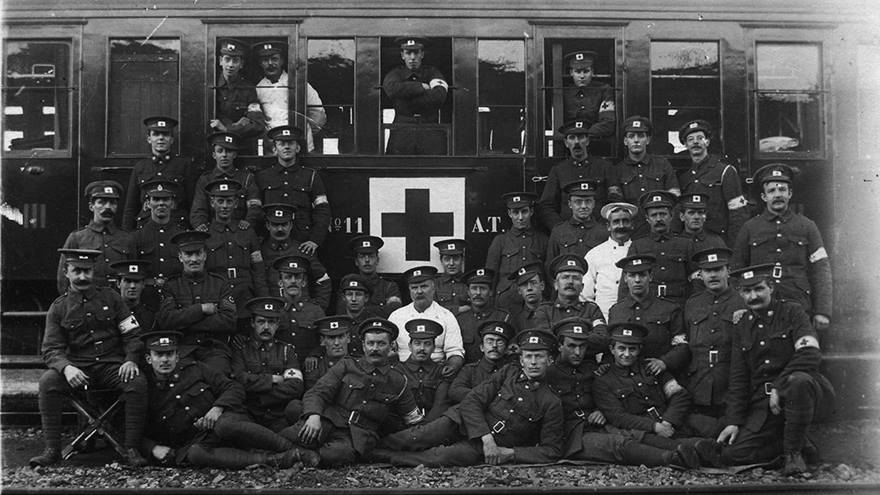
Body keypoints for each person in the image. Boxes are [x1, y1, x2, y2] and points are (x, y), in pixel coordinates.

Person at [702, 264, 835, 475]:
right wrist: (734, 422)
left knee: (798, 380)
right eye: (747, 291)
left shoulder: (793, 311)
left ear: (771, 287)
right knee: (731, 455)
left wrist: (778, 386)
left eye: (759, 289)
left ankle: (793, 454)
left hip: (799, 395)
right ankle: (792, 446)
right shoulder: (742, 324)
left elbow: (810, 352)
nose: (753, 296)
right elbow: (739, 378)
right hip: (763, 405)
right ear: (740, 293)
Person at [371, 329, 564, 467]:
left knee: (439, 457)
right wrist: (487, 437)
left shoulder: (551, 401)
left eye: (539, 357)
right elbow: (472, 400)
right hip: (461, 420)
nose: (533, 363)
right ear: (521, 360)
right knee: (418, 436)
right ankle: (368, 450)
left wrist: (510, 453)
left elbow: (551, 450)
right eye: (528, 356)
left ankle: (384, 458)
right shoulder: (508, 373)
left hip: (485, 447)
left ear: (550, 360)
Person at [30, 249, 148, 468]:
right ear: (66, 272)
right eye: (77, 271)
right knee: (48, 382)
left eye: (87, 271)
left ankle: (131, 448)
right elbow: (50, 349)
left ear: (94, 271)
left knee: (137, 382)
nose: (82, 277)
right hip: (78, 370)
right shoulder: (58, 308)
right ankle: (52, 450)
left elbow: (132, 335)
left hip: (111, 367)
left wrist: (131, 359)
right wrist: (66, 368)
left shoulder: (112, 299)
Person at [139, 330, 315, 469]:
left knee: (225, 425)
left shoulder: (196, 369)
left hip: (225, 420)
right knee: (194, 455)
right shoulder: (143, 387)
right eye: (158, 355)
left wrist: (217, 409)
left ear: (177, 356)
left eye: (169, 354)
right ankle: (274, 460)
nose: (164, 360)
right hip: (194, 439)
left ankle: (293, 450)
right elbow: (130, 428)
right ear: (148, 358)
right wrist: (152, 448)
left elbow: (234, 387)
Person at [545, 317, 701, 468]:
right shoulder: (548, 374)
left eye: (582, 346)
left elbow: (604, 399)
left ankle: (694, 451)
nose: (578, 352)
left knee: (632, 437)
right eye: (571, 346)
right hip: (571, 434)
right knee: (618, 444)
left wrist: (599, 409)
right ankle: (673, 459)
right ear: (560, 346)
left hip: (600, 426)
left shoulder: (593, 369)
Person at [281, 317, 424, 467]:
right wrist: (313, 416)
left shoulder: (398, 381)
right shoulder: (347, 365)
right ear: (363, 345)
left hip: (358, 435)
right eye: (370, 343)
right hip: (328, 420)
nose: (375, 348)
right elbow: (318, 392)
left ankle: (304, 454)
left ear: (391, 346)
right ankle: (289, 454)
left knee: (336, 455)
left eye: (381, 343)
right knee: (288, 437)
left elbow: (412, 420)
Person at [731, 163, 832, 331]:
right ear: (763, 197)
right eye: (771, 191)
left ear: (790, 193)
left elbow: (821, 269)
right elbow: (736, 270)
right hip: (760, 305)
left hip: (798, 303)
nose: (777, 195)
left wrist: (823, 311)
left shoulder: (807, 226)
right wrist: (739, 305)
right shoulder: (750, 227)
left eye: (782, 190)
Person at [593, 322, 718, 443]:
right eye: (621, 348)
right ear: (612, 349)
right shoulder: (604, 379)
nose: (626, 354)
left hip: (672, 420)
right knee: (693, 448)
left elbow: (680, 395)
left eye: (632, 349)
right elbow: (618, 417)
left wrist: (668, 421)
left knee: (716, 428)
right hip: (644, 431)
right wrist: (655, 427)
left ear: (640, 349)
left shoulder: (652, 368)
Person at [157, 231, 236, 374]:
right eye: (188, 254)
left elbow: (229, 321)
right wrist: (201, 310)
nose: (193, 259)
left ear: (204, 255)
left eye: (198, 253)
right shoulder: (171, 286)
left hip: (214, 349)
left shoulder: (220, 284)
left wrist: (185, 321)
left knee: (219, 376)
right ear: (180, 257)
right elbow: (166, 320)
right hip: (183, 350)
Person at [683, 247, 745, 418]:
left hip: (730, 383)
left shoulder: (742, 301)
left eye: (718, 269)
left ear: (728, 271)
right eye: (707, 271)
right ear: (700, 275)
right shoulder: (692, 303)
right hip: (698, 383)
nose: (713, 275)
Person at [201, 179, 269, 329]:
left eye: (229, 201)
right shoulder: (205, 234)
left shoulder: (247, 232)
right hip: (218, 298)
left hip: (245, 298)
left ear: (236, 203)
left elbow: (258, 271)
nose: (225, 206)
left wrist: (263, 301)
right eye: (220, 201)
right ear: (212, 203)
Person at [608, 254, 689, 377]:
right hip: (624, 378)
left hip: (660, 375)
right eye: (632, 275)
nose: (637, 280)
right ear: (625, 278)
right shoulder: (616, 311)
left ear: (650, 277)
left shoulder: (670, 308)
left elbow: (682, 346)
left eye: (642, 275)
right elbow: (611, 346)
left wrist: (664, 362)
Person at [255, 125, 331, 255]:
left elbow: (322, 210)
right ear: (274, 149)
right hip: (270, 243)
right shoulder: (263, 176)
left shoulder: (310, 176)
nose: (286, 147)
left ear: (298, 148)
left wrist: (315, 240)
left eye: (290, 143)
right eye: (281, 144)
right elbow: (256, 211)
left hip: (302, 242)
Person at [231, 297, 304, 433]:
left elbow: (296, 386)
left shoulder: (287, 350)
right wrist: (272, 379)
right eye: (261, 322)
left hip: (280, 416)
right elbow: (238, 379)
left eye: (271, 322)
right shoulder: (241, 349)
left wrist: (261, 397)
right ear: (252, 323)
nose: (266, 327)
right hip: (250, 416)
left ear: (277, 324)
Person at [607, 116, 679, 238]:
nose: (636, 140)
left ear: (648, 139)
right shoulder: (617, 170)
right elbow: (618, 206)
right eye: (631, 136)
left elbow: (675, 200)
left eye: (641, 136)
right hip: (633, 233)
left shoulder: (663, 165)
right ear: (625, 141)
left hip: (661, 231)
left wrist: (674, 230)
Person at [56, 181, 134, 295]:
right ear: (91, 206)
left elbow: (134, 275)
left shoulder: (127, 239)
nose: (107, 207)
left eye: (112, 203)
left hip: (118, 304)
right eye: (101, 202)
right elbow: (63, 278)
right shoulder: (77, 238)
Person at [678, 119, 748, 244]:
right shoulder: (684, 178)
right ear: (686, 145)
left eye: (700, 138)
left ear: (707, 142)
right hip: (691, 242)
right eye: (690, 139)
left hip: (719, 241)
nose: (695, 142)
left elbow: (738, 214)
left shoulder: (725, 171)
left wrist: (733, 247)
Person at [618, 190, 694, 305]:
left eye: (663, 214)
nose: (658, 219)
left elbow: (696, 280)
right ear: (647, 219)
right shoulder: (638, 245)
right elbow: (627, 282)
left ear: (671, 216)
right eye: (654, 215)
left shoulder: (685, 244)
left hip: (680, 305)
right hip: (649, 307)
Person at [389, 266, 465, 378]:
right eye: (414, 287)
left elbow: (455, 351)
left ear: (434, 288)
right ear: (409, 290)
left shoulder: (446, 316)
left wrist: (452, 366)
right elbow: (389, 350)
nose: (419, 291)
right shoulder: (396, 316)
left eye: (424, 286)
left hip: (436, 373)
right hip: (402, 373)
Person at [122, 116, 195, 231]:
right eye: (156, 134)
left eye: (165, 134)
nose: (161, 138)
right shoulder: (140, 167)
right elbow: (130, 207)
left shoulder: (184, 166)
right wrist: (126, 235)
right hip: (145, 227)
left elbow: (192, 203)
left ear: (172, 139)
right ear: (149, 138)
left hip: (176, 227)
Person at [537, 120, 612, 231]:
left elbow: (614, 202)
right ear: (566, 143)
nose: (577, 142)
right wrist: (560, 229)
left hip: (599, 233)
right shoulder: (558, 170)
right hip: (568, 236)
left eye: (581, 137)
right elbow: (546, 206)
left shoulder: (604, 167)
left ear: (587, 141)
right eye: (572, 138)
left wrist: (601, 228)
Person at [253, 40, 327, 152]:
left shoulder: (299, 84)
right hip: (273, 146)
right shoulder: (258, 89)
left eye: (274, 59)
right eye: (265, 60)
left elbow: (318, 113)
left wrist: (305, 132)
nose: (270, 64)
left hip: (299, 144)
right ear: (260, 63)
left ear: (282, 61)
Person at [383, 37, 449, 155]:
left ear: (422, 54)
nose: (412, 57)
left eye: (416, 53)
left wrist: (405, 97)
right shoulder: (395, 74)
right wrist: (422, 87)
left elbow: (439, 95)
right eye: (408, 53)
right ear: (402, 55)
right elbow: (391, 89)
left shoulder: (432, 72)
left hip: (430, 131)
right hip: (402, 132)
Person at [533, 254, 608, 359]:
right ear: (555, 284)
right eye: (565, 277)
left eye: (576, 278)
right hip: (555, 367)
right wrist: (582, 339)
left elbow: (602, 340)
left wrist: (565, 340)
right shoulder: (544, 311)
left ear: (582, 287)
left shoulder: (592, 310)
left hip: (587, 368)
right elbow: (545, 342)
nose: (570, 282)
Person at [285, 315, 357, 423]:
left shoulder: (358, 365)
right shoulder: (314, 365)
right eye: (331, 338)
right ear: (322, 341)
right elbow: (310, 395)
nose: (337, 343)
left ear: (348, 338)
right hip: (317, 414)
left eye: (341, 337)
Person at [485, 192, 548, 312]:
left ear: (531, 212)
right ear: (509, 213)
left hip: (535, 303)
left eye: (524, 211)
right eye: (515, 212)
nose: (520, 217)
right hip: (506, 302)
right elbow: (490, 277)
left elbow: (548, 275)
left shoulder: (543, 240)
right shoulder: (500, 241)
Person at [261, 203, 331, 310]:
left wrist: (317, 308)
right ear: (267, 226)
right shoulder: (261, 251)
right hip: (273, 312)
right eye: (275, 225)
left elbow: (323, 279)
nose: (280, 229)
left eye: (284, 224)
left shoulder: (302, 250)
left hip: (302, 312)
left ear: (291, 225)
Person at [190, 131, 262, 231]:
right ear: (214, 155)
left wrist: (248, 222)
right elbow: (198, 209)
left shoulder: (246, 178)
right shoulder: (205, 180)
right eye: (220, 151)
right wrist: (201, 225)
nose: (224, 155)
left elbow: (255, 207)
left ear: (235, 154)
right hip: (213, 232)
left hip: (240, 232)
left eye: (228, 151)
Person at [581, 202, 637, 317]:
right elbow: (585, 295)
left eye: (625, 221)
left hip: (635, 315)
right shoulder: (595, 254)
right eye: (616, 222)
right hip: (604, 316)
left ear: (632, 224)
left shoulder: (640, 250)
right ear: (608, 226)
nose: (621, 226)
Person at [392, 319, 451, 426]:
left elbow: (440, 405)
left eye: (427, 344)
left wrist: (423, 429)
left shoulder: (441, 372)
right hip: (403, 426)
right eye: (417, 343)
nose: (422, 348)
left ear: (433, 348)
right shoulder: (398, 370)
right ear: (410, 346)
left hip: (433, 427)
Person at [131, 179, 187, 292]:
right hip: (147, 295)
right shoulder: (136, 237)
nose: (161, 203)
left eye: (166, 199)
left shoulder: (182, 237)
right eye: (156, 199)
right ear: (148, 203)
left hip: (177, 294)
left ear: (172, 203)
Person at [211, 38, 264, 154]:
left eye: (235, 61)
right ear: (220, 61)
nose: (230, 65)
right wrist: (240, 124)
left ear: (241, 64)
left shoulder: (248, 89)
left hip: (240, 147)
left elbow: (257, 124)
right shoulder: (210, 84)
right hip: (216, 148)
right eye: (227, 59)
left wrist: (226, 129)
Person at [448, 320, 515, 404]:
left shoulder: (512, 371)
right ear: (482, 347)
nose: (494, 345)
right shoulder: (470, 370)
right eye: (489, 341)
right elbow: (455, 392)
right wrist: (485, 396)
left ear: (506, 349)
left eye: (500, 342)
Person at [337, 235, 402, 317]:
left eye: (371, 256)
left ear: (377, 260)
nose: (367, 260)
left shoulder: (389, 287)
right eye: (362, 257)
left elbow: (395, 311)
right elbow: (342, 313)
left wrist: (359, 310)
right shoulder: (347, 285)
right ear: (356, 261)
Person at [546, 179, 608, 265]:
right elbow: (550, 264)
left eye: (588, 201)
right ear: (570, 204)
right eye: (578, 202)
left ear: (594, 203)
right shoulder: (559, 231)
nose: (583, 206)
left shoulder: (603, 232)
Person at [455, 268, 511, 363]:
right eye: (474, 288)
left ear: (490, 292)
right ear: (468, 292)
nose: (478, 293)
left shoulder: (504, 318)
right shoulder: (460, 319)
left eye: (483, 288)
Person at [274, 255, 326, 357]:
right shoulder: (274, 310)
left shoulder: (315, 311)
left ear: (304, 282)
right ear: (280, 282)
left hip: (309, 365)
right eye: (288, 277)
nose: (293, 281)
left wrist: (314, 355)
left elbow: (325, 340)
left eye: (297, 277)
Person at [562, 51, 615, 141]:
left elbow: (608, 122)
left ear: (592, 72)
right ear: (571, 72)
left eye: (586, 71)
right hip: (569, 143)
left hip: (599, 141)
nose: (582, 76)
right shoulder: (563, 93)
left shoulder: (603, 90)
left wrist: (583, 136)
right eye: (578, 72)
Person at [338, 274, 382, 356]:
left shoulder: (375, 322)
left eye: (358, 294)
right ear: (343, 297)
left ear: (366, 298)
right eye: (349, 294)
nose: (353, 299)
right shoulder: (338, 322)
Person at [110, 260, 157, 334]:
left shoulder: (151, 316)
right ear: (118, 284)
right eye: (128, 281)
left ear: (143, 284)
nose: (132, 286)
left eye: (137, 281)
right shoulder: (111, 314)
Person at [507, 262, 548, 332]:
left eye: (533, 283)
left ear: (542, 286)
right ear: (519, 290)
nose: (529, 288)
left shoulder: (554, 312)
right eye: (524, 284)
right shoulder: (515, 320)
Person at [433, 239, 470, 315]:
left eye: (456, 259)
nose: (451, 263)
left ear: (462, 259)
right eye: (447, 259)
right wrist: (459, 309)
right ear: (441, 261)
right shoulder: (435, 284)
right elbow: (432, 309)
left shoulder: (469, 282)